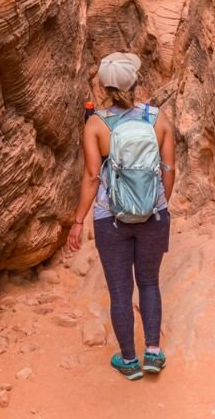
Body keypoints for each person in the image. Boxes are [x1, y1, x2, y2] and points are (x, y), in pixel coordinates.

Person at [67, 52, 176, 380]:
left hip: (110, 219)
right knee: (149, 282)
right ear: (136, 82)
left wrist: (77, 220)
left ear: (103, 86)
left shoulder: (96, 125)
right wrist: (156, 205)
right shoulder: (158, 119)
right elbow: (169, 170)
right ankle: (153, 354)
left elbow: (91, 177)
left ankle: (128, 361)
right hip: (153, 216)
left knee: (119, 289)